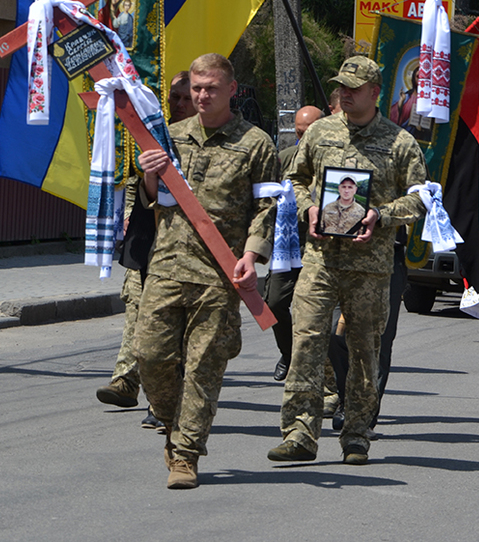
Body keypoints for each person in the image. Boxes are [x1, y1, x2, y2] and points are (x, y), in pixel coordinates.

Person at [268, 56, 427, 465]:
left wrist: (383, 215)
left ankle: (356, 433)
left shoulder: (400, 142)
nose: (345, 93)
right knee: (305, 343)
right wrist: (308, 210)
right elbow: (297, 179)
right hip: (321, 259)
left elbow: (421, 198)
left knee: (363, 351)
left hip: (370, 266)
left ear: (375, 93)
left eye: (355, 88)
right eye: (342, 87)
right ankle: (300, 433)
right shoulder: (319, 133)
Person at [134, 54, 279, 489]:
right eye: (196, 87)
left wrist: (252, 257)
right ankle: (171, 422)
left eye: (211, 88)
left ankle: (185, 455)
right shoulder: (168, 136)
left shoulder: (256, 143)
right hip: (167, 266)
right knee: (150, 355)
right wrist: (148, 178)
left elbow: (267, 208)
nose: (201, 96)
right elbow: (148, 200)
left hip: (219, 275)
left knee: (203, 367)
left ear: (231, 89)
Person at [95, 71, 193, 431]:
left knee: (171, 327)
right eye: (175, 98)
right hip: (145, 239)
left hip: (185, 249)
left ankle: (160, 400)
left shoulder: (204, 143)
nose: (180, 105)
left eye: (187, 98)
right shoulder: (150, 131)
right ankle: (126, 380)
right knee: (138, 310)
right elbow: (137, 184)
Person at [266, 105, 324, 381]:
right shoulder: (285, 159)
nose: (303, 139)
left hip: (319, 248)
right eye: (298, 133)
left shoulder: (330, 159)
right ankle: (288, 354)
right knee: (274, 301)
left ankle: (314, 366)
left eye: (308, 132)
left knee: (314, 312)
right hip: (288, 247)